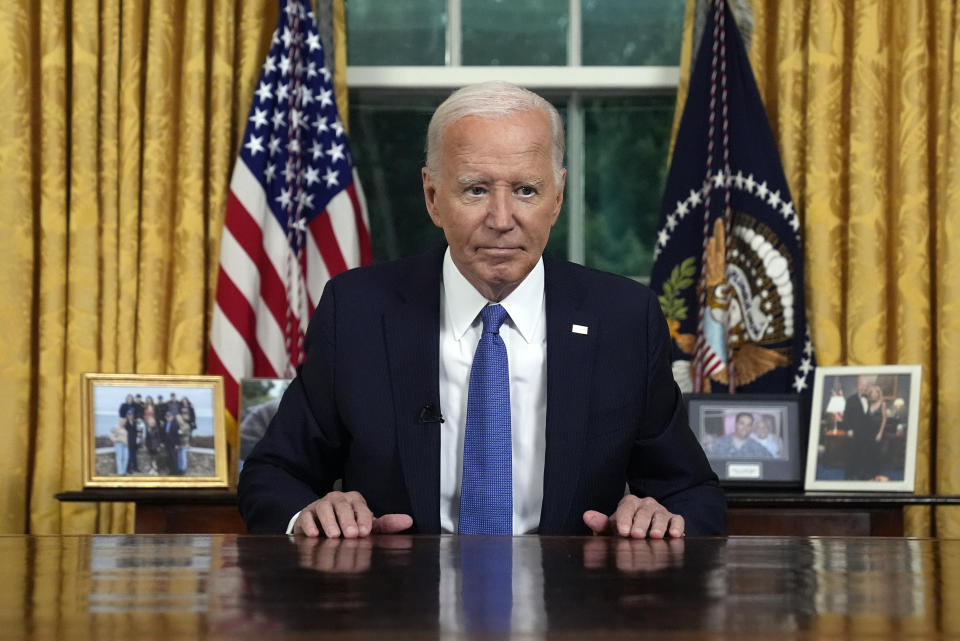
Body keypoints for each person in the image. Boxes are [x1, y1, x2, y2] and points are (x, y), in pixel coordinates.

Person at [238, 81, 726, 539]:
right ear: (433, 197)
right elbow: (273, 475)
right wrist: (310, 514)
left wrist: (660, 518)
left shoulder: (623, 316)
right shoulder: (359, 311)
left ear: (557, 197)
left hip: (573, 607)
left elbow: (693, 495)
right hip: (397, 604)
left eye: (526, 191)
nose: (501, 219)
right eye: (475, 189)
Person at [841, 375, 874, 480]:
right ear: (858, 386)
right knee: (852, 455)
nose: (864, 387)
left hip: (867, 433)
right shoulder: (851, 400)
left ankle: (863, 475)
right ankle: (849, 475)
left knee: (865, 455)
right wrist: (849, 429)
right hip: (854, 433)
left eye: (866, 386)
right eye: (862, 385)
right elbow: (846, 417)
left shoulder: (870, 400)